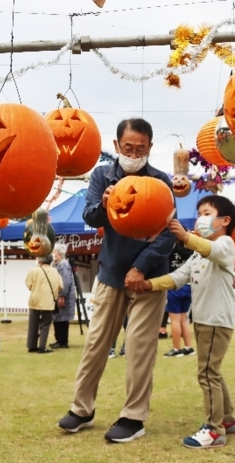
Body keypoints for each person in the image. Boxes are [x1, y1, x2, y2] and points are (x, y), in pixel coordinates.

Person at [57, 117, 175, 443]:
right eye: (128, 148)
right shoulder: (102, 175)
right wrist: (105, 203)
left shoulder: (161, 182)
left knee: (139, 347)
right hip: (110, 273)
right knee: (96, 343)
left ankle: (133, 418)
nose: (134, 153)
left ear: (150, 148)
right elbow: (89, 215)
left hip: (148, 277)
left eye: (140, 148)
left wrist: (141, 266)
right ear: (116, 147)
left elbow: (168, 235)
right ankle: (82, 408)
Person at [141, 195, 235, 449]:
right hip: (206, 319)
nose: (200, 218)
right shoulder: (197, 254)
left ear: (225, 220)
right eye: (199, 213)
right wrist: (148, 285)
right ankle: (227, 419)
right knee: (212, 370)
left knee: (207, 372)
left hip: (216, 319)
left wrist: (186, 237)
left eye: (206, 213)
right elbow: (177, 277)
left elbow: (211, 250)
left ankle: (214, 430)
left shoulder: (226, 243)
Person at [25, 255, 63, 354]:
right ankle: (42, 347)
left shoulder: (34, 270)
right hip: (48, 301)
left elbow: (28, 283)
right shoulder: (55, 271)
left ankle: (31, 345)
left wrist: (34, 289)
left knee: (33, 324)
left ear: (40, 260)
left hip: (35, 300)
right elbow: (61, 285)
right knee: (45, 324)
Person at [163, 241, 195, 357]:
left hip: (175, 284)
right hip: (189, 285)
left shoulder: (170, 247)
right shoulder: (190, 248)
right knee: (183, 318)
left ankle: (176, 348)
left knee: (175, 320)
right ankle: (188, 346)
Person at [50, 244, 75, 349]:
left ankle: (62, 341)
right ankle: (59, 339)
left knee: (62, 318)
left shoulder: (63, 264)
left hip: (63, 296)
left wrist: (62, 295)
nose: (53, 254)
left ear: (59, 254)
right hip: (58, 295)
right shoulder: (56, 264)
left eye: (54, 252)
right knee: (57, 317)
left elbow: (66, 281)